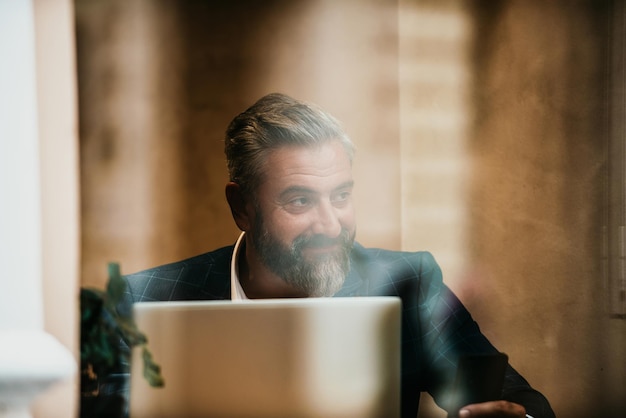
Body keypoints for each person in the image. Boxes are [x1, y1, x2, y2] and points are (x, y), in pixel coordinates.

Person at [114, 93, 555, 418]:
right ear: (242, 207)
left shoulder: (410, 283)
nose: (329, 225)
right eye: (300, 201)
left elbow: (522, 403)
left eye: (341, 195)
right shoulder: (143, 300)